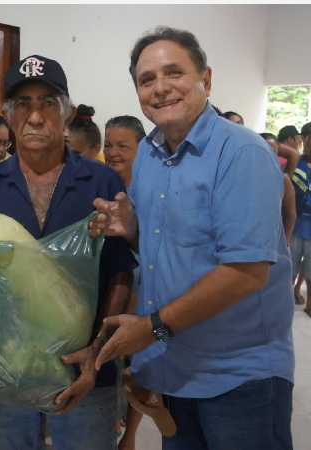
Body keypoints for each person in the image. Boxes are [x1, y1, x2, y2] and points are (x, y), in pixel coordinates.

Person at [92, 26, 294, 450]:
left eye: (174, 73)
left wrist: (152, 330)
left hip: (238, 375)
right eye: (147, 80)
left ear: (206, 78)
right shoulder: (148, 153)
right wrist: (133, 232)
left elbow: (245, 273)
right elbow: (165, 251)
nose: (161, 88)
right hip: (174, 368)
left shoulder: (241, 152)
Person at [0, 54, 136, 450]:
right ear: (8, 115)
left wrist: (96, 353)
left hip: (82, 370)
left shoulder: (102, 181)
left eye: (47, 103)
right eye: (23, 104)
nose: (35, 116)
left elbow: (120, 274)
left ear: (68, 114)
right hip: (3, 368)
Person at [103, 115, 146, 450]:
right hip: (109, 289)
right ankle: (112, 422)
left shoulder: (151, 190)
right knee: (109, 358)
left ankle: (128, 435)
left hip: (145, 294)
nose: (112, 152)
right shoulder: (100, 186)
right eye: (107, 145)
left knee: (140, 367)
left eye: (122, 146)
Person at [289, 122, 311, 316]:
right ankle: (287, 297)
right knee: (292, 264)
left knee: (310, 265)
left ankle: (309, 304)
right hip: (296, 223)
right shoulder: (296, 163)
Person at [260, 132, 297, 244]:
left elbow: (291, 215)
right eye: (265, 150)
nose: (269, 155)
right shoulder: (245, 176)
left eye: (274, 152)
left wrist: (283, 243)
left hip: (272, 239)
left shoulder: (282, 179)